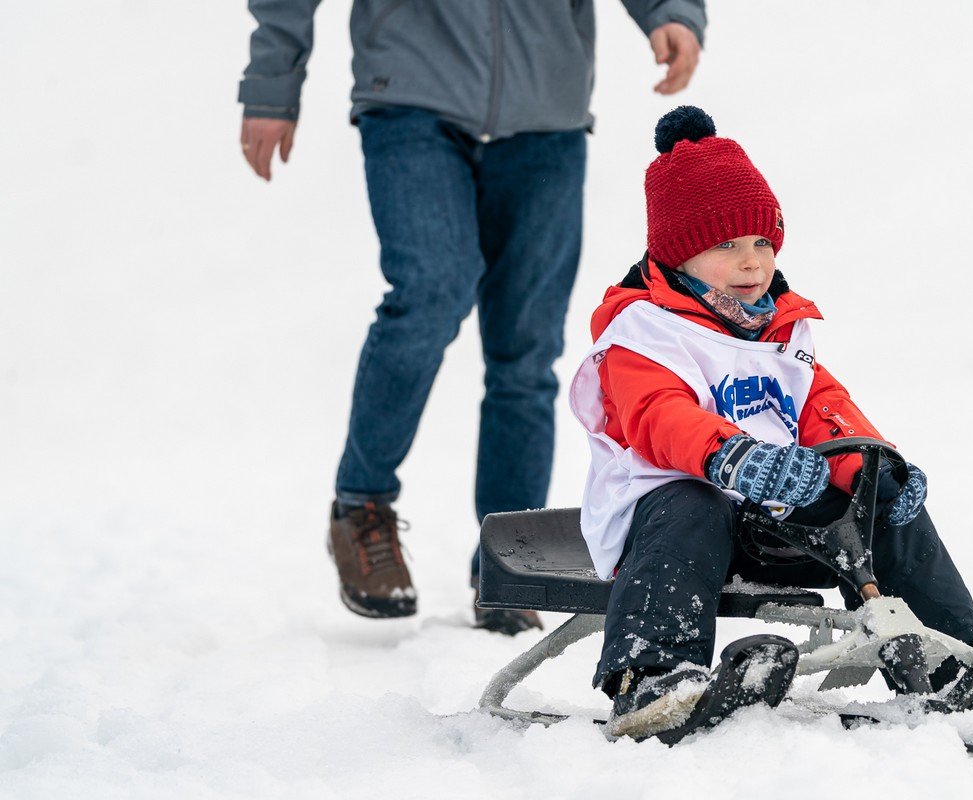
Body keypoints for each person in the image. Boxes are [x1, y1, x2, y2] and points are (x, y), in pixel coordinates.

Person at [237, 1, 707, 632]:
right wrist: (273, 82)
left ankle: (508, 558)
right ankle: (361, 506)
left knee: (527, 344)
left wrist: (669, 11)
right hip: (412, 91)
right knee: (430, 292)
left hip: (546, 110)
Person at [569, 106, 973, 740]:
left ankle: (949, 659)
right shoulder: (643, 333)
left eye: (762, 244)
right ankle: (653, 675)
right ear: (680, 254)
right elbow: (657, 415)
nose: (751, 263)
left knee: (881, 505)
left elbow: (823, 409)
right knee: (693, 502)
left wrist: (872, 468)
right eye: (726, 246)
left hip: (771, 522)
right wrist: (734, 457)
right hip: (666, 527)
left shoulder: (780, 328)